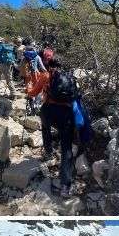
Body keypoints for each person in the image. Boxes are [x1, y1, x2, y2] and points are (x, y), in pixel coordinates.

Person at [27, 57, 78, 197]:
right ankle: (65, 187)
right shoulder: (71, 78)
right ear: (62, 66)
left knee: (45, 128)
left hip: (49, 110)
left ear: (49, 66)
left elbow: (33, 92)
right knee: (66, 148)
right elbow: (76, 98)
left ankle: (49, 151)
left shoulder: (45, 76)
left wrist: (28, 89)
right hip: (66, 114)